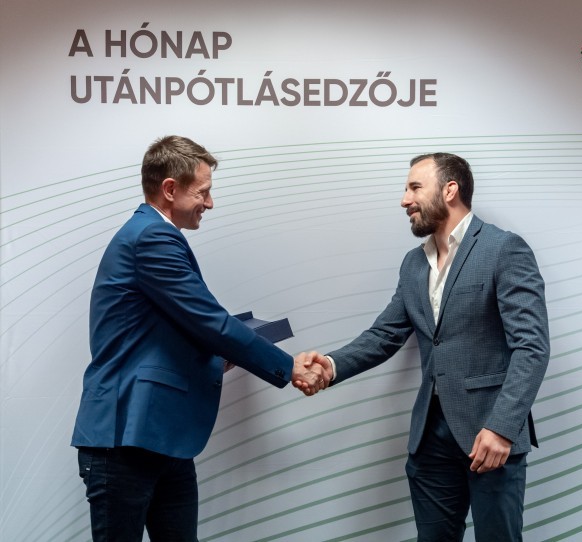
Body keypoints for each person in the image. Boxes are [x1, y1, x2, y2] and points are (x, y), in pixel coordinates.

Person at [71, 135, 328, 542]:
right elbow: (210, 323)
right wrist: (288, 366)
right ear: (170, 189)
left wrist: (217, 354)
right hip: (126, 438)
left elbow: (175, 329)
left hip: (161, 437)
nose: (210, 203)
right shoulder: (152, 237)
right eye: (203, 192)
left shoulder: (152, 235)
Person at [295, 152, 549, 541]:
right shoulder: (413, 264)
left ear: (450, 190)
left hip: (489, 434)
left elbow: (531, 347)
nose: (405, 200)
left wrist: (502, 427)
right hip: (430, 438)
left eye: (415, 187)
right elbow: (385, 334)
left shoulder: (504, 249)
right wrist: (329, 366)